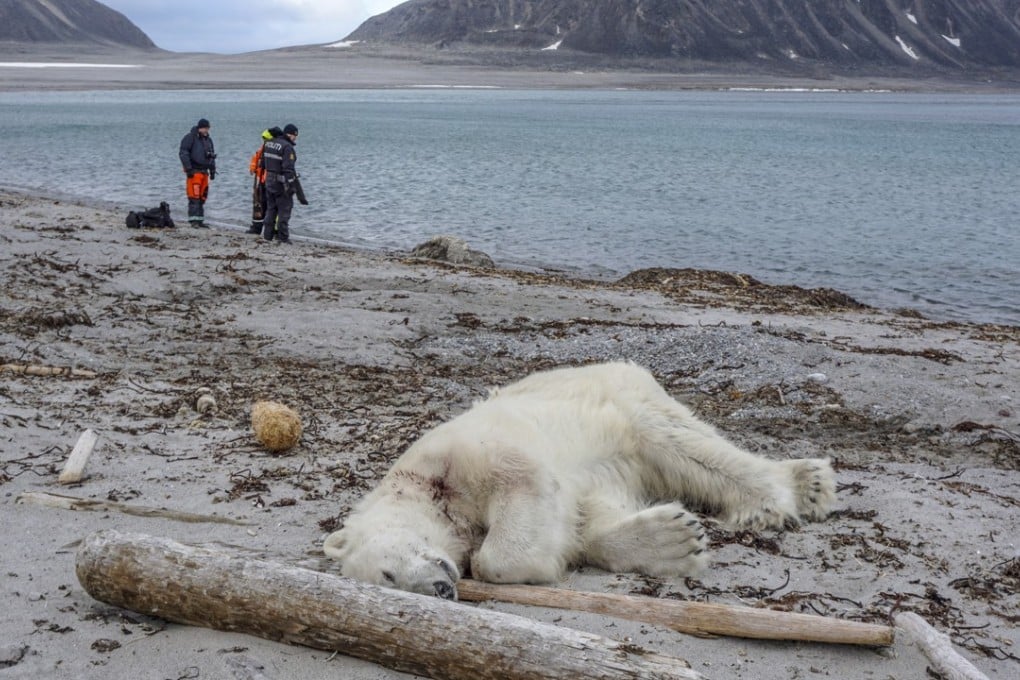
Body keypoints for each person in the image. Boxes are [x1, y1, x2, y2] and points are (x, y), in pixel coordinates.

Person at [260, 123, 299, 244]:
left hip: (269, 181)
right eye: (295, 136)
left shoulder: (269, 143)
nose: (295, 138)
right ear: (290, 134)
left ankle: (267, 235)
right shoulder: (287, 147)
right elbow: (288, 168)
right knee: (284, 210)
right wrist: (291, 185)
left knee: (271, 209)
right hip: (281, 183)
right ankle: (283, 237)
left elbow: (263, 164)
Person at [179, 118, 217, 228]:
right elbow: (183, 153)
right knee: (194, 196)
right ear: (200, 128)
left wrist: (212, 170)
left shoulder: (208, 140)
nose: (207, 130)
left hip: (204, 172)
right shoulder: (190, 138)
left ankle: (200, 220)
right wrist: (188, 169)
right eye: (205, 128)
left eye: (208, 128)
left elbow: (212, 156)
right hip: (194, 171)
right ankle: (193, 221)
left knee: (202, 197)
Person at [247, 127, 281, 235]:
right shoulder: (263, 148)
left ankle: (274, 230)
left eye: (267, 139)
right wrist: (253, 167)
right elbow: (256, 157)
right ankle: (256, 228)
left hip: (272, 183)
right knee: (259, 206)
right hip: (262, 182)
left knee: (273, 207)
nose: (265, 141)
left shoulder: (278, 148)